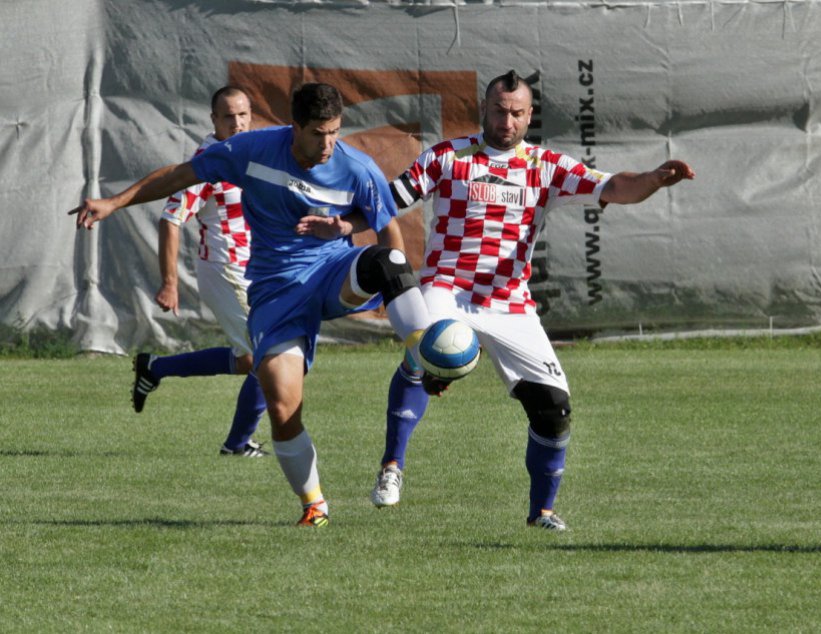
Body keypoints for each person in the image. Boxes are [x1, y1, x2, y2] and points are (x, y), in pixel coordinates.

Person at [301, 70, 695, 531]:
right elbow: (392, 199)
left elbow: (615, 186)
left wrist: (653, 179)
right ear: (483, 110)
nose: (506, 121)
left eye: (516, 113)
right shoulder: (448, 156)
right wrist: (345, 225)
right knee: (422, 351)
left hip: (509, 300)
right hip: (447, 289)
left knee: (554, 408)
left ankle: (541, 513)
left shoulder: (547, 165)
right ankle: (392, 466)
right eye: (498, 110)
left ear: (529, 117)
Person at [70, 82, 434, 527]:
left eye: (335, 132)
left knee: (390, 261)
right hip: (276, 292)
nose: (328, 144)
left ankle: (426, 356)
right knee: (282, 407)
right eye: (318, 133)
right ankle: (314, 505)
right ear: (294, 126)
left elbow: (388, 237)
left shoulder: (356, 167)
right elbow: (180, 175)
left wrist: (342, 232)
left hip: (334, 273)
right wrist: (114, 202)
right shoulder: (252, 150)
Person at [133, 85, 267, 458]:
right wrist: (169, 283)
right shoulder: (210, 162)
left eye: (242, 114)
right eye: (228, 116)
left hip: (252, 270)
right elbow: (170, 219)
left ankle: (155, 368)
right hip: (226, 272)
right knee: (266, 358)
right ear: (214, 121)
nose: (237, 123)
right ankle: (237, 445)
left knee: (247, 360)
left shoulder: (253, 153)